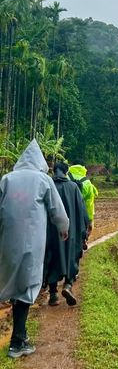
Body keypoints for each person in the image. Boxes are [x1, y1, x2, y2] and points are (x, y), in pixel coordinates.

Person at [0, 140, 69, 359]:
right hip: (32, 243)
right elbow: (58, 212)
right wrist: (63, 229)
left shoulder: (6, 180)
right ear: (39, 162)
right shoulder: (43, 179)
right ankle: (17, 342)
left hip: (7, 243)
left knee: (11, 282)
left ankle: (20, 337)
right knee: (27, 285)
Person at [44, 162, 90, 307]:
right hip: (71, 231)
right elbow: (82, 210)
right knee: (72, 254)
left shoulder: (48, 186)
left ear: (54, 171)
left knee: (51, 257)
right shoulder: (73, 187)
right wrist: (86, 227)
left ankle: (53, 295)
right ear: (66, 172)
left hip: (51, 231)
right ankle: (68, 285)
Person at [68, 163, 98, 235]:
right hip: (81, 215)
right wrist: (90, 220)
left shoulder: (65, 178)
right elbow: (89, 203)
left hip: (67, 214)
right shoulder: (87, 183)